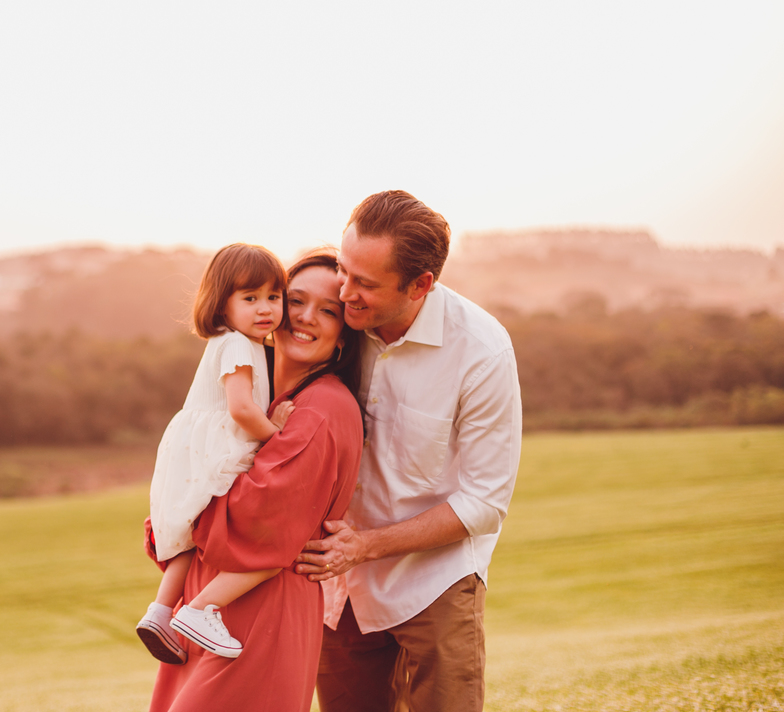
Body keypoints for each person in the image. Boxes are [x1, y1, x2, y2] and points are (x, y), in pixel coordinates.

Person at [297, 191, 523, 712]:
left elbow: (485, 503)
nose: (344, 292)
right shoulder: (334, 325)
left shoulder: (482, 351)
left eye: (366, 284)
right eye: (342, 269)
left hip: (435, 580)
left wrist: (366, 546)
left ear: (422, 285)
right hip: (340, 585)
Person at [146, 251, 365, 712]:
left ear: (345, 336)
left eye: (329, 310)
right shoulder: (261, 393)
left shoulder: (321, 408)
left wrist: (185, 510)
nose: (304, 317)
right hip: (208, 614)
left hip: (259, 611)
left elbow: (255, 520)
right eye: (295, 300)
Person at [137, 243, 297, 662]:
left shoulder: (232, 342)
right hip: (217, 447)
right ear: (222, 305)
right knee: (252, 538)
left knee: (192, 535)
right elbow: (242, 408)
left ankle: (159, 611)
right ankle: (201, 609)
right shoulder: (240, 346)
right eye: (250, 298)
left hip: (191, 447)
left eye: (273, 297)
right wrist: (276, 436)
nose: (265, 308)